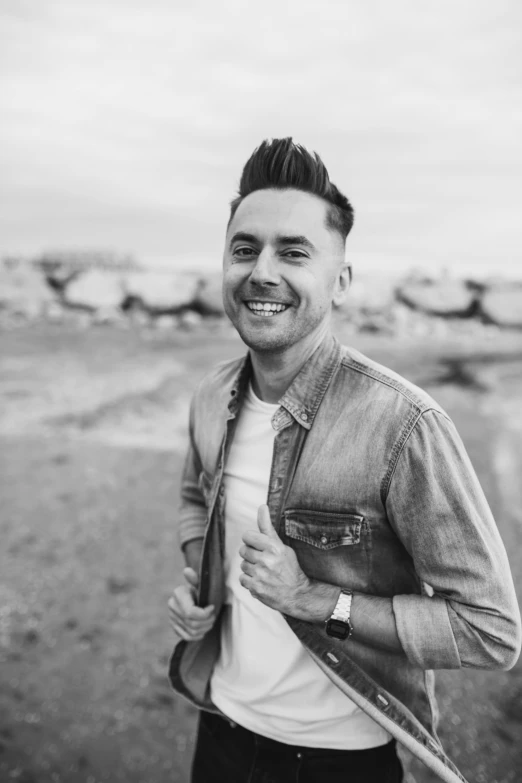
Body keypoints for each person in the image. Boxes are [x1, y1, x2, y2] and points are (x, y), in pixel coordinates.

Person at [167, 137, 521, 783]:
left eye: (294, 252)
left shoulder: (403, 425)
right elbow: (197, 496)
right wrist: (203, 581)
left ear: (342, 282)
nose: (262, 272)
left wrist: (314, 598)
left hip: (339, 757)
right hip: (217, 722)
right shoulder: (212, 394)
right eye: (244, 249)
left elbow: (490, 629)